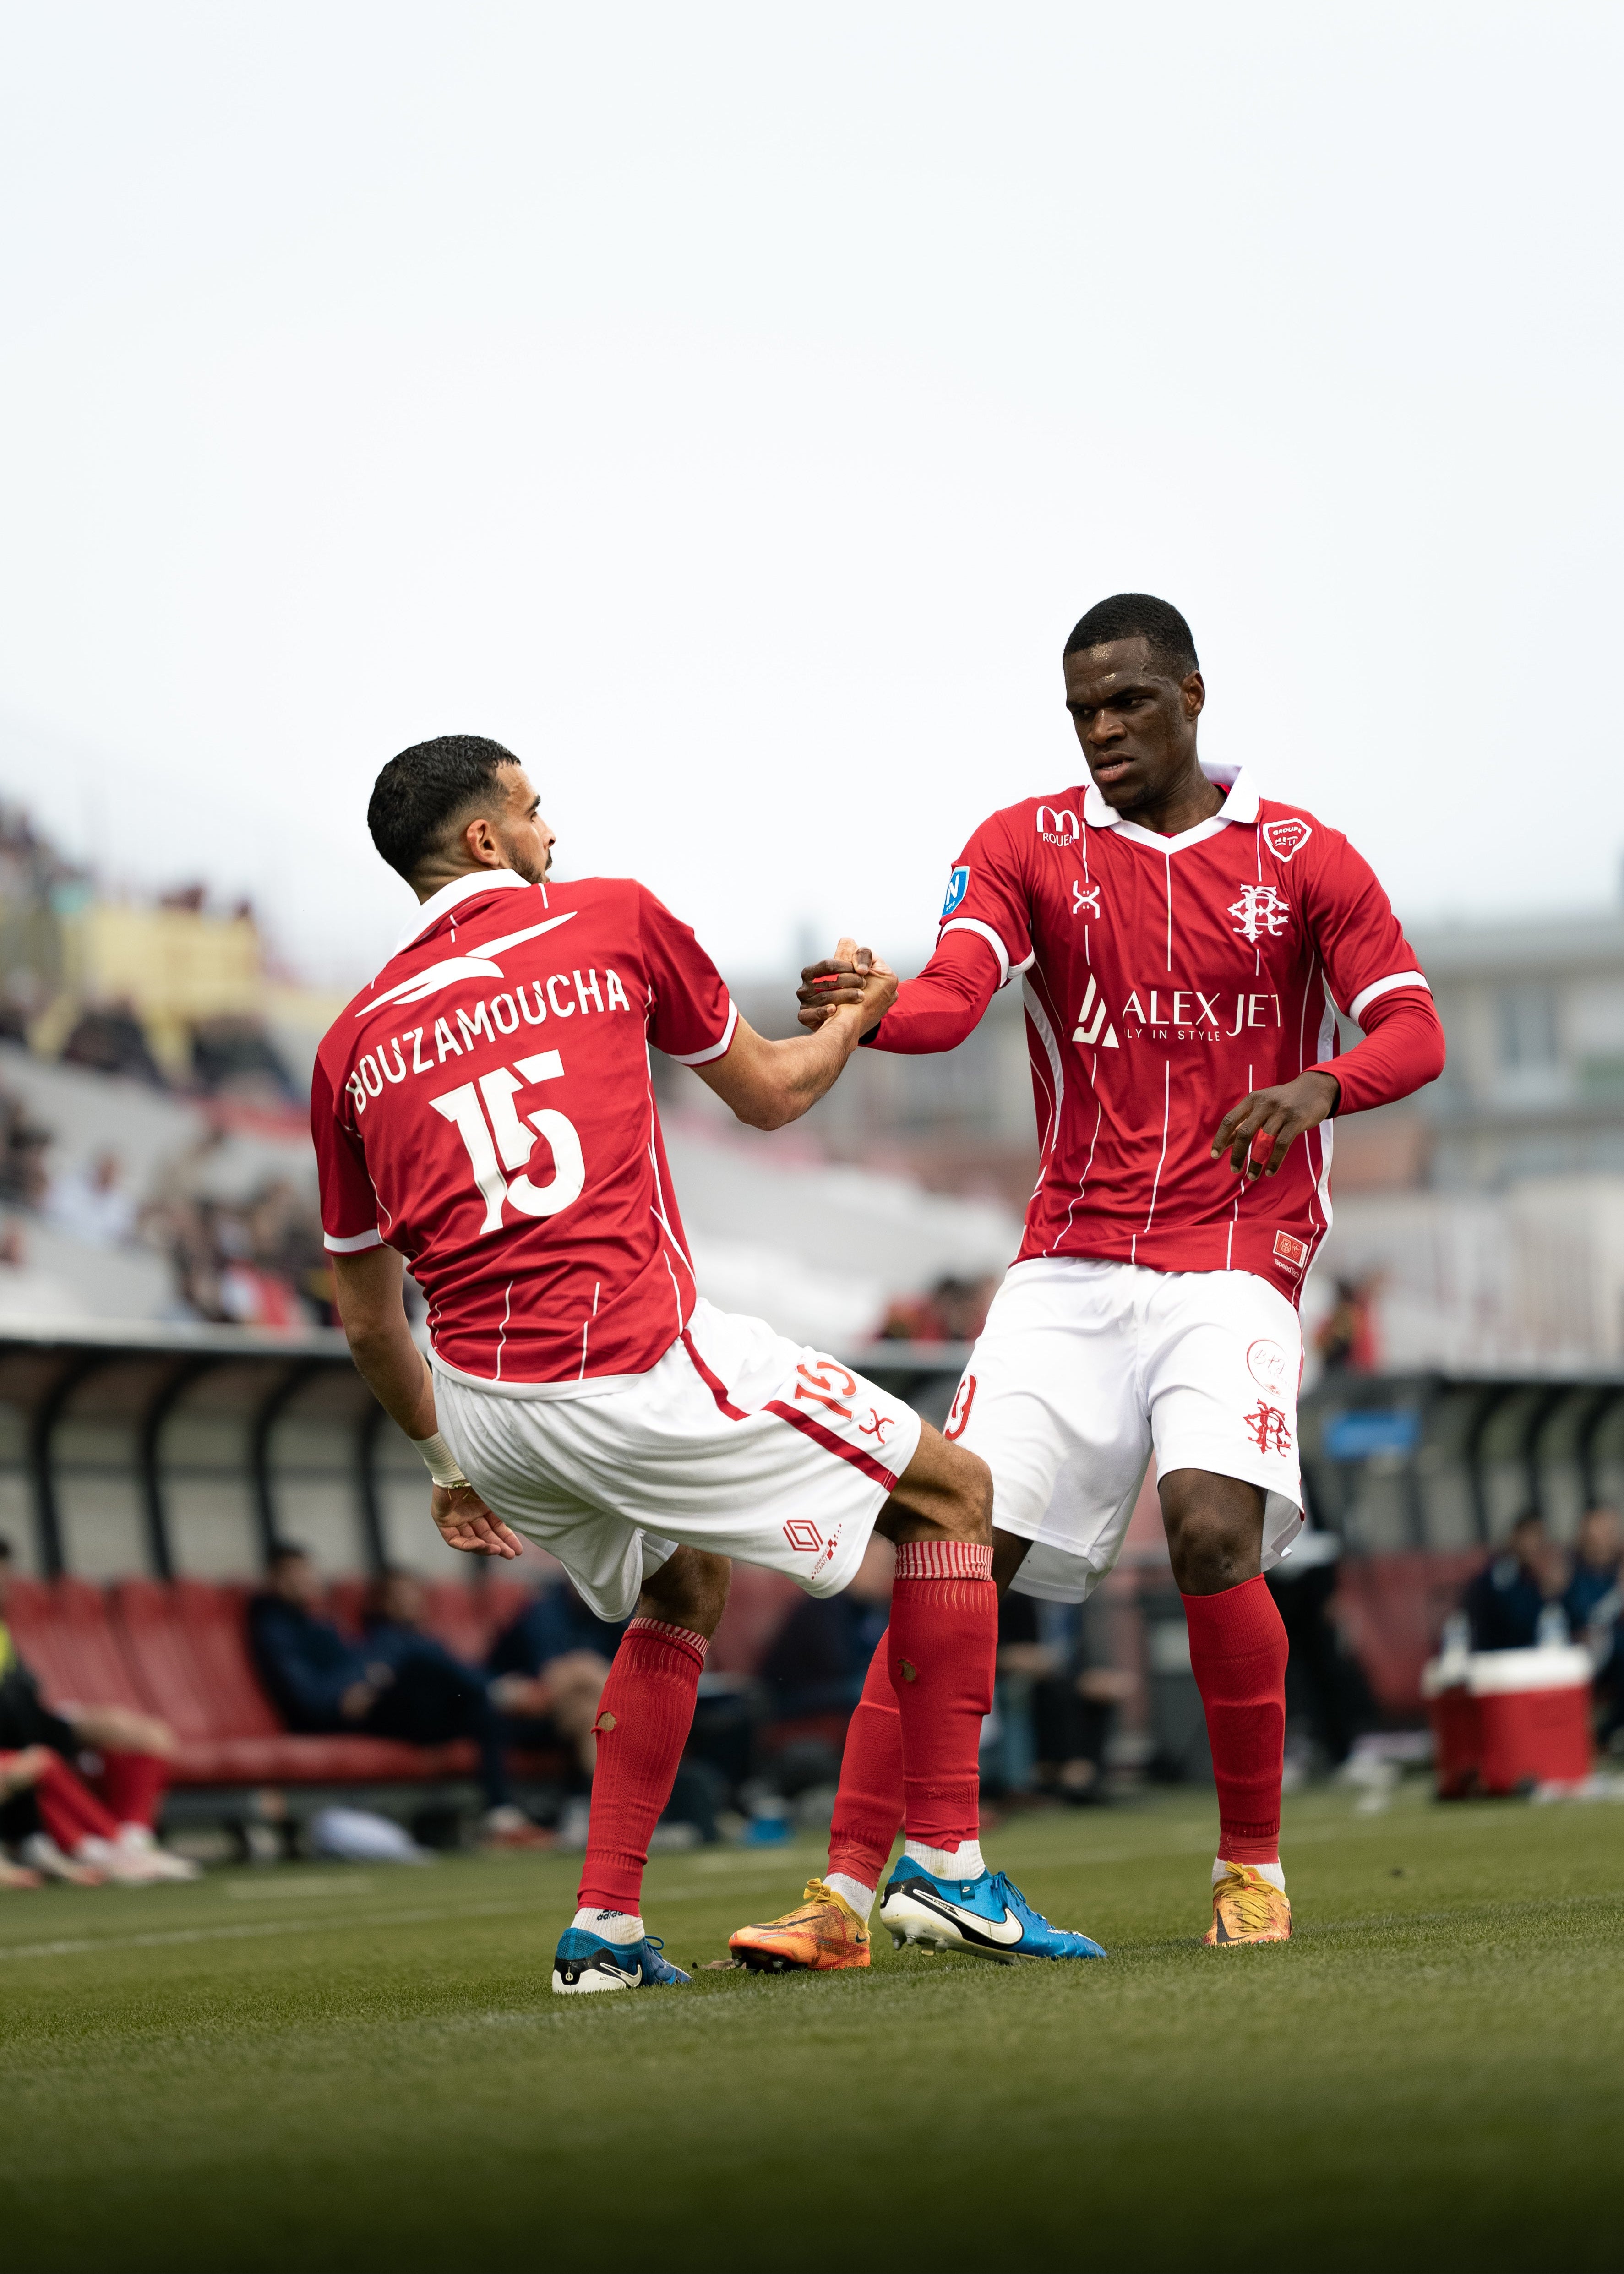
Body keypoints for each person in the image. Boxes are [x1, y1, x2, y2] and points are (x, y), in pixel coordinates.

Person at [313, 734, 1102, 1992]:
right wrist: (856, 1017)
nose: (553, 831)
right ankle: (949, 1866)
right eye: (533, 808)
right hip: (632, 1360)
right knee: (955, 1494)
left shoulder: (349, 1041)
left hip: (486, 1405)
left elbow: (366, 1319)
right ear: (484, 838)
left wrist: (445, 1466)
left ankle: (605, 1933)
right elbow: (773, 1093)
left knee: (682, 1581)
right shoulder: (609, 917)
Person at [753, 592, 1447, 1952]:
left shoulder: (1305, 856)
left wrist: (1317, 1085)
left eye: (1127, 701)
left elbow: (1412, 1030)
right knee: (950, 1539)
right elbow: (954, 993)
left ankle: (1251, 1872)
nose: (1102, 729)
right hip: (1068, 1258)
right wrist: (878, 1009)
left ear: (1192, 694)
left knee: (1209, 1533)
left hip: (1233, 1254)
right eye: (1081, 710)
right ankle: (839, 1895)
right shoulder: (1026, 844)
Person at [247, 1543, 543, 1844]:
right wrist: (349, 1693)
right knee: (421, 1660)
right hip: (344, 1716)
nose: (305, 1581)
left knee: (482, 1708)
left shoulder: (323, 1623)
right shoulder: (277, 1627)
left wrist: (367, 1681)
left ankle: (503, 1814)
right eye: (294, 1575)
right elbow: (315, 1694)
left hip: (402, 1710)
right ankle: (496, 1691)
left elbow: (354, 1668)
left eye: (306, 1573)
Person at [0, 1535, 199, 1883]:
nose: (7, 1583)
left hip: (26, 1728)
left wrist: (67, 1725)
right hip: (15, 1739)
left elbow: (25, 1701)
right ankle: (108, 1848)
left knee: (148, 1734)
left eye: (7, 1573)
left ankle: (133, 1840)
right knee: (39, 1761)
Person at [485, 1577, 623, 1781]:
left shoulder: (611, 1613)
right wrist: (619, 1689)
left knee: (596, 1711)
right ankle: (610, 1798)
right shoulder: (545, 1611)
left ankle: (599, 1796)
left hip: (580, 1704)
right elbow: (553, 1679)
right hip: (519, 1709)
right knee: (596, 1709)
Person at [1460, 1512, 1569, 1653]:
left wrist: (1560, 1591)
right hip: (1499, 1655)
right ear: (1515, 1537)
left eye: (1540, 1537)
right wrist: (1545, 1594)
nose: (1535, 1545)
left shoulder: (1543, 1574)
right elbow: (1513, 1619)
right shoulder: (1500, 1572)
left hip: (1536, 1655)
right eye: (1529, 1536)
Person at [1563, 1506, 1622, 1741]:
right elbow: (1587, 1618)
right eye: (1600, 1531)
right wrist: (1619, 1594)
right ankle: (1604, 1733)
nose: (1606, 1537)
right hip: (1585, 1651)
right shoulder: (1573, 1571)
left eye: (1610, 1530)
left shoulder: (1615, 1567)